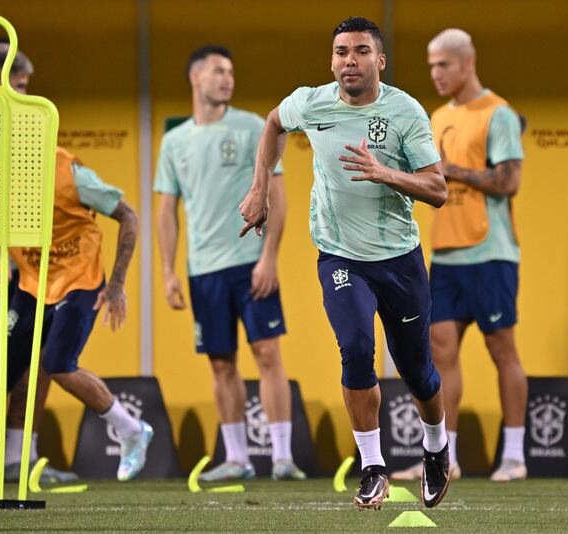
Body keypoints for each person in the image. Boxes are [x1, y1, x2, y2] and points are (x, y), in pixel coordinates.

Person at [239, 17, 451, 509]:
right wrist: (259, 187)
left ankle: (436, 447)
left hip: (399, 259)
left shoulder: (405, 111)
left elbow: (438, 189)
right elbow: (273, 123)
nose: (348, 61)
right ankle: (373, 467)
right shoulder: (311, 102)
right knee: (356, 347)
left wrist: (385, 173)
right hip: (340, 256)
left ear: (380, 60)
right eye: (340, 52)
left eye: (359, 51)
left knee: (417, 371)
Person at [155, 45, 304, 482]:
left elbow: (276, 195)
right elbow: (166, 211)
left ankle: (281, 458)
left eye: (231, 73)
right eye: (219, 72)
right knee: (220, 363)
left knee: (268, 354)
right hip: (204, 272)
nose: (228, 79)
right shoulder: (173, 142)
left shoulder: (254, 127)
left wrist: (269, 258)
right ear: (196, 77)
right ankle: (237, 458)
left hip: (250, 263)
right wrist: (167, 271)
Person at [0, 148, 152, 486]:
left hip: (80, 279)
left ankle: (132, 430)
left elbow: (129, 216)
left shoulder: (70, 173)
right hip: (32, 282)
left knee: (59, 364)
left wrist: (118, 285)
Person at [392, 29, 527, 483]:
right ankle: (444, 458)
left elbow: (509, 182)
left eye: (442, 64)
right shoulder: (434, 115)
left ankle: (513, 455)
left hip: (490, 253)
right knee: (440, 353)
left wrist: (453, 171)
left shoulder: (498, 113)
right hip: (445, 254)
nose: (435, 73)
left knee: (502, 350)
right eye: (430, 65)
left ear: (467, 63)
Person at [0, 43, 77, 484]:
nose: (21, 92)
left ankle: (20, 460)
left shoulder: (32, 127)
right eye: (14, 83)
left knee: (36, 368)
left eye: (26, 85)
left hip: (26, 273)